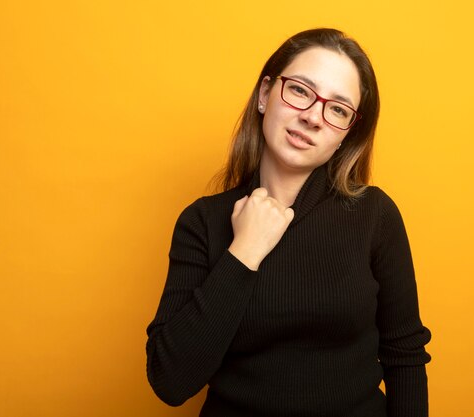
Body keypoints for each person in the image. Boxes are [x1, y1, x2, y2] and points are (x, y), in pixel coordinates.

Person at [146, 28, 431, 417]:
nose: (313, 116)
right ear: (265, 94)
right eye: (299, 90)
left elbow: (406, 358)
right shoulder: (203, 222)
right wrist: (244, 251)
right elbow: (171, 381)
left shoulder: (375, 216)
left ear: (348, 135)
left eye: (337, 109)